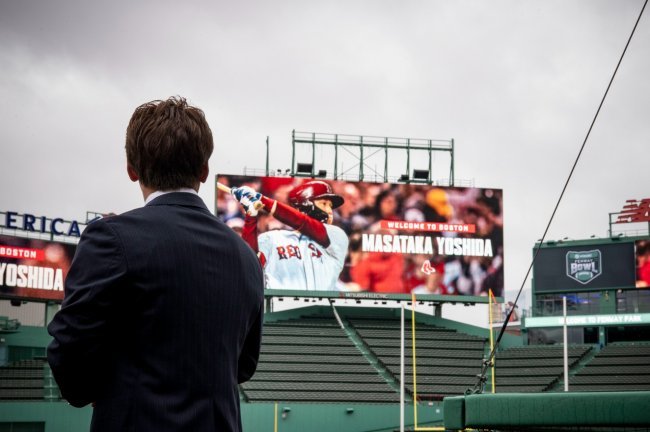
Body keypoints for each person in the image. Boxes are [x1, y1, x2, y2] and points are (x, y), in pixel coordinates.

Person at [47, 97, 264, 432]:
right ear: (204, 171)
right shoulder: (246, 256)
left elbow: (69, 347)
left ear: (132, 169)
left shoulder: (112, 237)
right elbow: (244, 366)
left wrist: (94, 390)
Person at [232, 180, 349, 291]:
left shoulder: (337, 237)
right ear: (305, 206)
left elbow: (303, 222)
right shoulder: (272, 238)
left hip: (321, 310)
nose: (330, 211)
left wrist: (263, 200)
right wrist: (251, 215)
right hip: (278, 309)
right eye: (324, 203)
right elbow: (248, 268)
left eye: (331, 206)